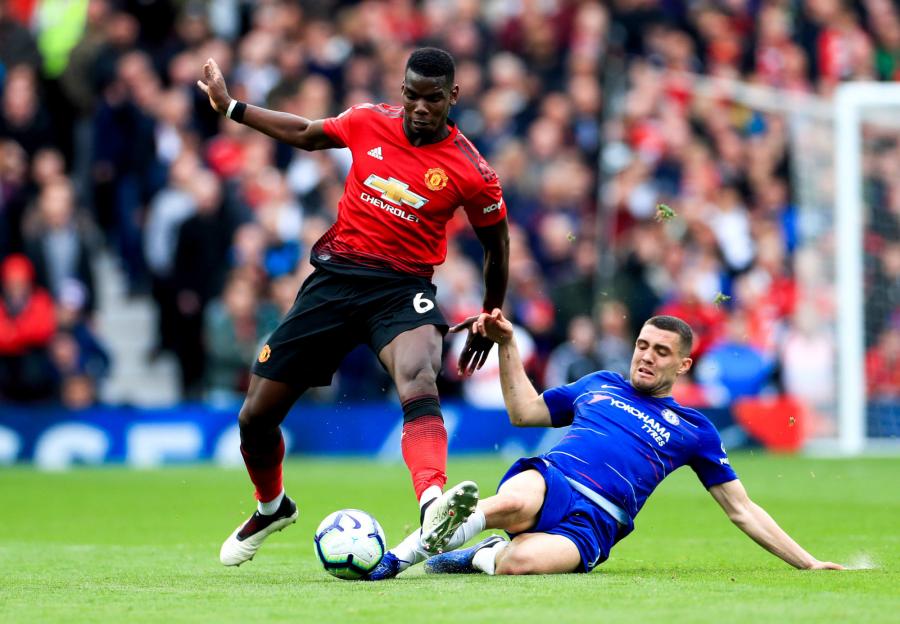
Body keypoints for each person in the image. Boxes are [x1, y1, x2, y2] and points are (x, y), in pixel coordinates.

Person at [197, 47, 510, 566]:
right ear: (402, 90)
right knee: (255, 418)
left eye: (433, 99)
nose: (420, 108)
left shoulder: (472, 170)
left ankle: (433, 504)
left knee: (419, 377)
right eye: (412, 96)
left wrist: (489, 311)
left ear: (453, 96)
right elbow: (306, 133)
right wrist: (232, 107)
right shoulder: (368, 120)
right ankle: (272, 506)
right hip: (335, 281)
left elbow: (497, 246)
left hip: (401, 288)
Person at [366, 311, 843, 579]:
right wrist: (508, 345)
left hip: (598, 522)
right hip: (553, 479)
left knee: (521, 564)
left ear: (683, 365)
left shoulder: (695, 429)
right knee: (514, 502)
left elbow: (742, 510)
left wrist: (807, 563)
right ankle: (396, 559)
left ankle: (479, 553)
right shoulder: (600, 384)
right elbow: (525, 412)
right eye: (642, 345)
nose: (646, 357)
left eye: (661, 352)